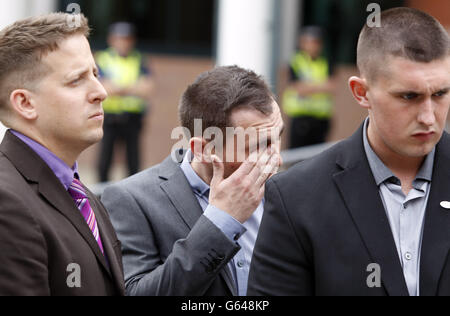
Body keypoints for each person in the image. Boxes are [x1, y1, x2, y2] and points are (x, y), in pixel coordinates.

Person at [248, 7, 450, 296]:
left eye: (440, 94)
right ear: (361, 93)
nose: (429, 117)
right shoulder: (296, 198)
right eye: (409, 96)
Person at [101, 66, 284, 296]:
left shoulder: (285, 193)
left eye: (277, 138)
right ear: (204, 149)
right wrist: (220, 222)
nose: (276, 158)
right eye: (258, 146)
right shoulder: (131, 200)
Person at [0, 13, 125, 296]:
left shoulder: (77, 192)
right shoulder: (7, 203)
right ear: (24, 103)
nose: (101, 92)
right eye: (76, 80)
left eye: (96, 74)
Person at [96, 22, 154, 182]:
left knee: (133, 162)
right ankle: (101, 196)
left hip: (132, 118)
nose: (123, 43)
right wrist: (132, 87)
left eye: (127, 39)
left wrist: (117, 88)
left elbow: (147, 88)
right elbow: (103, 87)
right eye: (120, 38)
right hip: (109, 117)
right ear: (112, 40)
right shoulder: (103, 59)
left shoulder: (140, 60)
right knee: (104, 161)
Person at [282, 26, 335, 149]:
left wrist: (308, 86)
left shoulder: (326, 62)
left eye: (317, 42)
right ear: (302, 43)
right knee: (297, 157)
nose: (314, 46)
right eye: (311, 42)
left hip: (321, 119)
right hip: (301, 118)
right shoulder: (296, 61)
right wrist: (321, 85)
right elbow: (297, 88)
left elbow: (332, 87)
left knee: (317, 157)